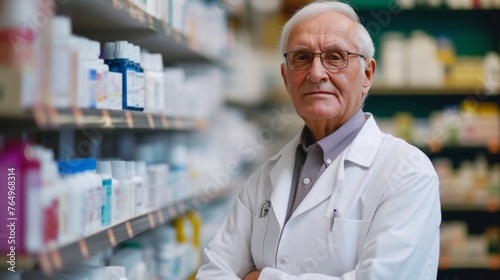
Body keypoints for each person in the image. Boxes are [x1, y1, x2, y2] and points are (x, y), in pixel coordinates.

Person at [196, 1, 441, 279]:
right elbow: (213, 272)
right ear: (286, 78)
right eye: (301, 57)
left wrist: (261, 277)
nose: (316, 73)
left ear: (367, 76)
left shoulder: (407, 172)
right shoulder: (263, 179)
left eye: (335, 57)